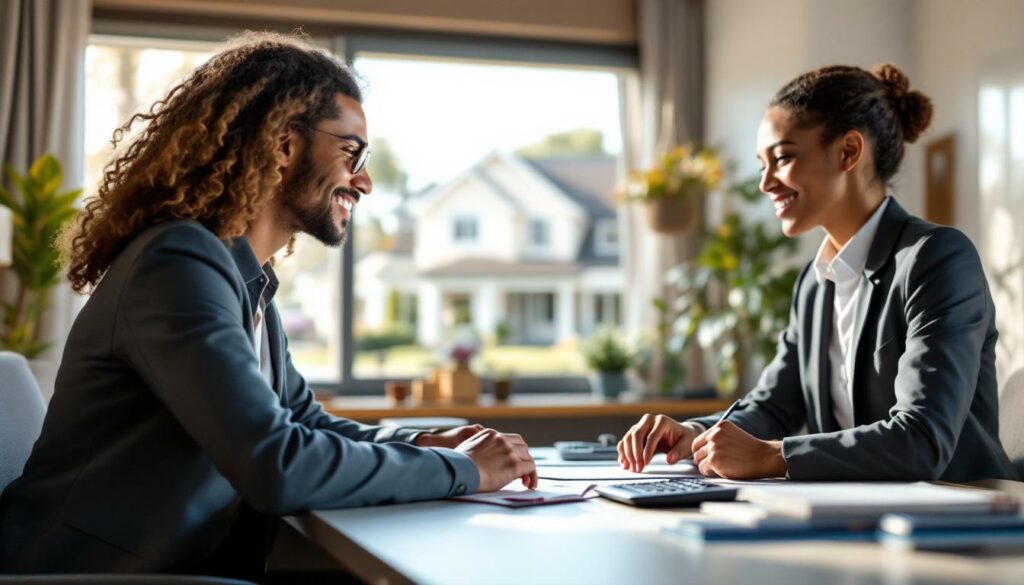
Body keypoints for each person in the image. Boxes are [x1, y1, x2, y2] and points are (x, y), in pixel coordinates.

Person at [0, 32, 537, 578]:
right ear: (284, 145)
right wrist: (460, 469)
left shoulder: (246, 279)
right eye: (353, 151)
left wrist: (422, 440)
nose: (366, 181)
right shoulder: (178, 262)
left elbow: (302, 421)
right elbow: (277, 463)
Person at [619, 63, 1018, 483]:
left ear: (848, 151)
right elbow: (774, 406)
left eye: (783, 158)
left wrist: (776, 456)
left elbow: (921, 440)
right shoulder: (814, 283)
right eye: (762, 166)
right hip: (857, 512)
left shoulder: (936, 258)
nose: (766, 183)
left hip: (964, 512)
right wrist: (695, 434)